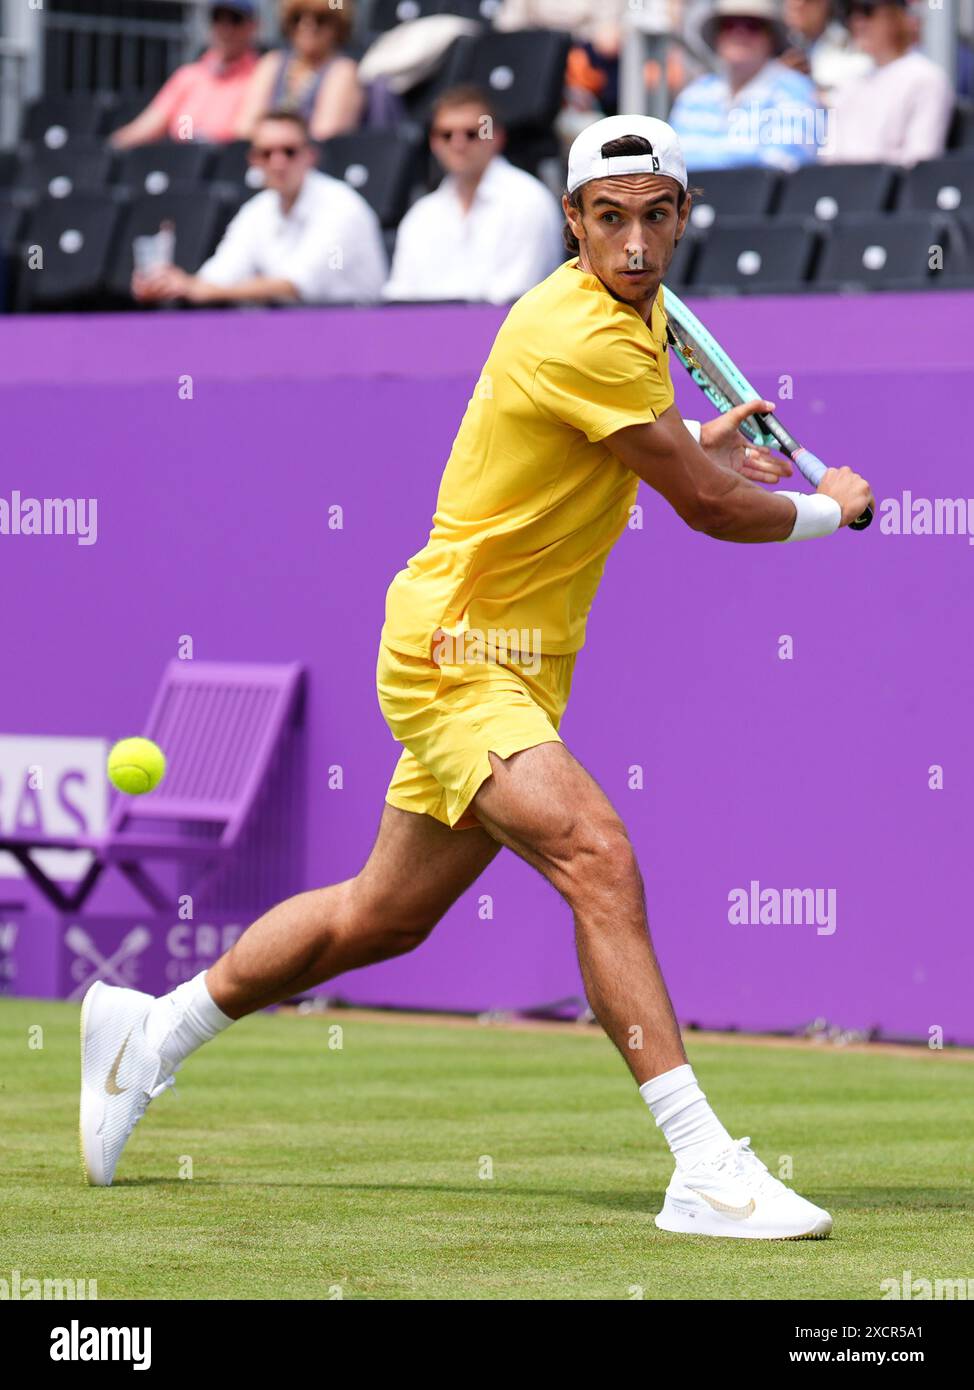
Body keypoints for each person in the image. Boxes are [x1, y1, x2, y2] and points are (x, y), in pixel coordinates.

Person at [83, 112, 875, 1240]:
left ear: (682, 217)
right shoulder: (583, 329)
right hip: (457, 653)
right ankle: (703, 1165)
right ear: (571, 221)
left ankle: (144, 1034)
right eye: (610, 220)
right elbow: (704, 514)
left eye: (656, 217)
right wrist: (823, 509)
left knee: (380, 916)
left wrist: (692, 446)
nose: (636, 242)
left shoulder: (629, 323)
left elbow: (622, 469)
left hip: (513, 664)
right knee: (597, 856)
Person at [131, 110, 386, 306]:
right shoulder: (257, 210)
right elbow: (218, 276)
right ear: (253, 160)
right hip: (295, 338)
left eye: (289, 151)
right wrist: (168, 284)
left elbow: (296, 285)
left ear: (310, 155)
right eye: (266, 153)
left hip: (357, 339)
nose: (278, 162)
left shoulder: (342, 207)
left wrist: (195, 288)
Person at [384, 85, 564, 305]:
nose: (458, 144)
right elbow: (400, 299)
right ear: (433, 142)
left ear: (496, 137)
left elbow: (516, 299)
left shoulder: (528, 201)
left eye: (472, 133)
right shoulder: (421, 215)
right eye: (446, 134)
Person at [669, 0, 822, 170]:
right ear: (717, 35)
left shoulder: (796, 91)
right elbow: (671, 168)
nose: (739, 32)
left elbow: (783, 167)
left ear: (771, 38)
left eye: (752, 25)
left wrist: (703, 164)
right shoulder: (694, 95)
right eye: (729, 25)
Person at [818, 0, 953, 165]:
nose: (857, 22)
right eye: (850, 13)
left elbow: (921, 162)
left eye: (867, 11)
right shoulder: (848, 85)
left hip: (892, 189)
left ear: (896, 15)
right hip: (844, 187)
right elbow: (830, 159)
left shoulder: (927, 79)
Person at [108, 1, 260, 148]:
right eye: (217, 17)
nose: (226, 29)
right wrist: (108, 147)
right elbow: (146, 127)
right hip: (182, 162)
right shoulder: (187, 75)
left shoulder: (261, 76)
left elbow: (244, 136)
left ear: (253, 26)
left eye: (235, 20)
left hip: (228, 167)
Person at [236, 0, 364, 141]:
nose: (306, 25)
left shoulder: (343, 70)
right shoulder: (272, 62)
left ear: (338, 25)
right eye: (297, 18)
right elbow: (244, 129)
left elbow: (325, 138)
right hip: (264, 156)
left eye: (320, 19)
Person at [780, 0, 873, 96]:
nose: (797, 4)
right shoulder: (777, 43)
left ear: (825, 3)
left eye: (808, 1)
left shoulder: (849, 43)